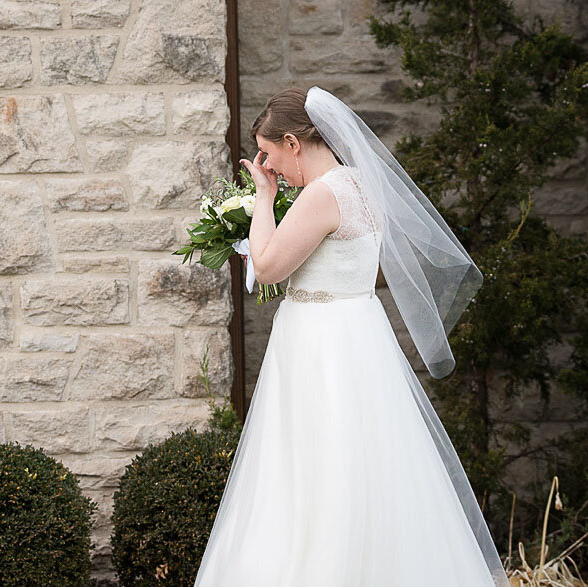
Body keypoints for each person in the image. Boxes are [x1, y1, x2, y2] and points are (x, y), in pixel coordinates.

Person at [194, 87, 508, 586]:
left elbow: (271, 267)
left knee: (316, 466)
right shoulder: (362, 183)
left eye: (271, 154)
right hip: (359, 334)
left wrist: (263, 199)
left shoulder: (322, 193)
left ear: (294, 143)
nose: (270, 166)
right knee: (364, 461)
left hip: (320, 342)